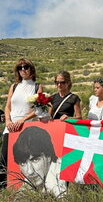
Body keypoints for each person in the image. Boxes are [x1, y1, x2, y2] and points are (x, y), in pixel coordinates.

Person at [0, 58, 43, 188]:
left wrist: (22, 120)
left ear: (31, 69)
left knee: (26, 159)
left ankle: (28, 187)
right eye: (20, 67)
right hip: (11, 127)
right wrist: (8, 120)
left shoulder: (37, 86)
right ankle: (3, 188)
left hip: (27, 126)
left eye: (25, 67)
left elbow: (39, 109)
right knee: (4, 158)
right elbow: (7, 107)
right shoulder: (14, 86)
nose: (23, 69)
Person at [13, 126, 66, 197]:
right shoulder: (34, 176)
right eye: (23, 163)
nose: (30, 171)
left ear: (48, 157)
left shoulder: (63, 175)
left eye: (35, 160)